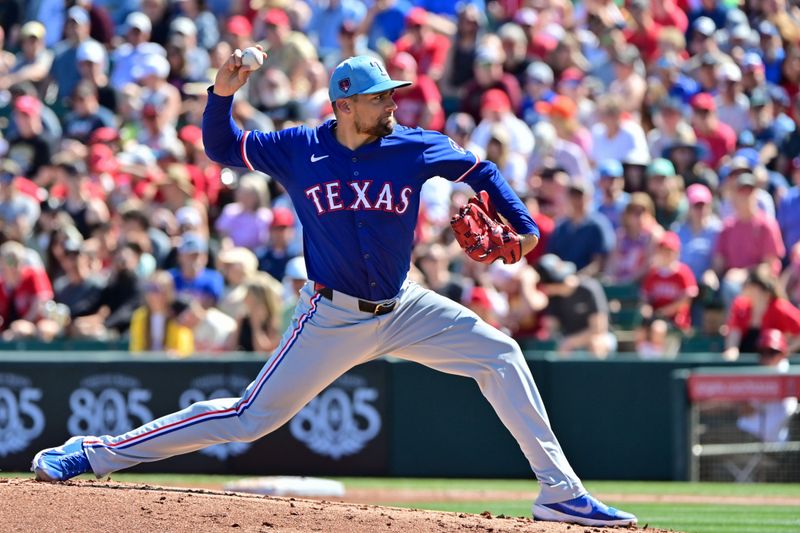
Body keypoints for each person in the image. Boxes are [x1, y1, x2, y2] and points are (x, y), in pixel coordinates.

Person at [31, 52, 636, 528]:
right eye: (379, 97)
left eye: (392, 94)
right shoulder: (300, 147)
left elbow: (482, 171)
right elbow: (219, 148)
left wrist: (525, 227)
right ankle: (94, 452)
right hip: (332, 315)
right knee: (247, 420)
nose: (391, 104)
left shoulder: (412, 144)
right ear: (345, 104)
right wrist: (222, 93)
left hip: (406, 305)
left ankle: (561, 492)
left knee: (501, 354)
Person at [723, 264, 800, 361]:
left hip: (772, 368)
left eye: (750, 285)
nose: (745, 288)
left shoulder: (780, 307)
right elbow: (734, 335)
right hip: (744, 366)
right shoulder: (740, 306)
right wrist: (732, 350)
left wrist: (785, 351)